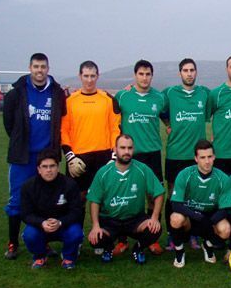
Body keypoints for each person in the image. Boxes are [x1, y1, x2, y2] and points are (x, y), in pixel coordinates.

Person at [3, 53, 66, 260]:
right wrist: (20, 142)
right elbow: (9, 124)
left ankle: (43, 243)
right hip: (23, 157)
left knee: (46, 200)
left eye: (43, 67)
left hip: (47, 158)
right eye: (36, 67)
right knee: (17, 200)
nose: (40, 71)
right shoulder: (17, 93)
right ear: (30, 68)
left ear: (48, 68)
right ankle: (13, 242)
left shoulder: (57, 93)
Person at [114, 60, 167, 255]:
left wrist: (168, 125)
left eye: (148, 74)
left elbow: (166, 115)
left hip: (152, 152)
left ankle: (151, 237)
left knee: (153, 196)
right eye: (141, 74)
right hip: (129, 154)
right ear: (135, 75)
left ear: (152, 76)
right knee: (125, 196)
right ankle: (121, 240)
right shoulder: (122, 96)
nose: (144, 78)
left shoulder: (159, 98)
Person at [86, 134, 165, 265]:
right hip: (110, 220)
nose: (126, 152)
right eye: (122, 148)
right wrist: (95, 225)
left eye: (130, 148)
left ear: (133, 149)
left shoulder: (142, 169)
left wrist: (155, 218)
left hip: (135, 220)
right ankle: (108, 248)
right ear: (115, 149)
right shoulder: (104, 172)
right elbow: (94, 200)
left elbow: (159, 193)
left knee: (155, 229)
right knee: (96, 239)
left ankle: (138, 249)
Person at [162, 58, 210, 246]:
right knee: (173, 194)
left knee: (195, 196)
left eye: (192, 70)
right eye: (185, 70)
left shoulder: (204, 94)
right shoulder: (169, 93)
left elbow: (211, 113)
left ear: (196, 72)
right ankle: (172, 234)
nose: (189, 73)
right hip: (175, 153)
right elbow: (158, 109)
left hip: (197, 156)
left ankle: (193, 233)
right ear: (179, 73)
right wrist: (167, 124)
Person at [61, 60, 121, 200]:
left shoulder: (107, 99)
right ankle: (76, 223)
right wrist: (70, 157)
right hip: (79, 157)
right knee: (77, 199)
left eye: (92, 76)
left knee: (105, 199)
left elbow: (115, 129)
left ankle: (101, 223)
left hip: (103, 156)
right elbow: (64, 130)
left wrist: (114, 156)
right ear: (80, 76)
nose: (89, 80)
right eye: (86, 76)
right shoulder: (69, 101)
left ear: (97, 76)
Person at [169, 140, 231, 268]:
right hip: (190, 217)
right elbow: (175, 204)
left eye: (209, 157)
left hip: (210, 217)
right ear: (196, 158)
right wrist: (198, 216)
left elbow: (226, 209)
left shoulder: (223, 178)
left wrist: (210, 221)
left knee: (225, 230)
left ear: (214, 157)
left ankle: (208, 246)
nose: (207, 161)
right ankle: (179, 252)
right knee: (175, 218)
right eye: (202, 157)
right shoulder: (185, 174)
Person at [20, 149, 84, 269]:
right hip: (41, 227)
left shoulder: (70, 184)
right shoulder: (28, 186)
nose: (49, 170)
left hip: (63, 225)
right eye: (44, 167)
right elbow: (25, 214)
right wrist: (41, 222)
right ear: (39, 169)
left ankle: (68, 257)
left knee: (76, 233)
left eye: (52, 166)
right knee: (29, 234)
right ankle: (40, 256)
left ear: (58, 167)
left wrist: (60, 222)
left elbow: (76, 211)